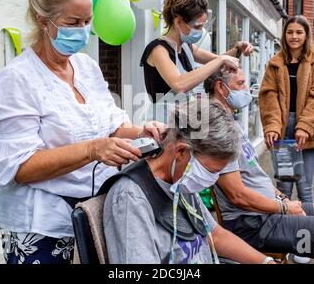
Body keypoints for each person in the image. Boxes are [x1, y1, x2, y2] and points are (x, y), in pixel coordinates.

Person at [0, 0, 162, 264]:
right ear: (43, 20)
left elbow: (111, 124)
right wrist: (92, 149)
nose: (82, 30)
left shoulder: (86, 67)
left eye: (87, 21)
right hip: (42, 227)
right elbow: (19, 167)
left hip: (91, 214)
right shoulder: (17, 80)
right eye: (73, 21)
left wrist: (143, 132)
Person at [203, 67, 314, 264]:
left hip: (268, 211)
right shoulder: (216, 126)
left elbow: (253, 177)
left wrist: (281, 197)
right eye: (240, 84)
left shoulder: (231, 121)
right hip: (253, 223)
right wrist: (284, 208)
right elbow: (238, 195)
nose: (246, 90)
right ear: (221, 87)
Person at [103, 101, 276, 264]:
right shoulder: (131, 198)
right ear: (180, 151)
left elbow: (214, 235)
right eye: (211, 171)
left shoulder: (181, 179)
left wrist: (266, 261)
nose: (211, 181)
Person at [258, 15, 314, 204]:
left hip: (308, 130)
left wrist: (305, 126)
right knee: (284, 186)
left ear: (306, 35)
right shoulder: (275, 64)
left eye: (299, 32)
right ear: (284, 35)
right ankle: (284, 229)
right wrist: (272, 126)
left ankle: (307, 229)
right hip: (281, 129)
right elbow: (268, 95)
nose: (294, 36)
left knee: (305, 187)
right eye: (290, 32)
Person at [140, 0, 253, 103]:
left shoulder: (187, 48)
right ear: (179, 22)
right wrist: (221, 60)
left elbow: (217, 60)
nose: (201, 31)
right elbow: (179, 84)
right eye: (197, 26)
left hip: (183, 115)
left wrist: (238, 48)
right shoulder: (158, 50)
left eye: (203, 26)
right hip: (162, 118)